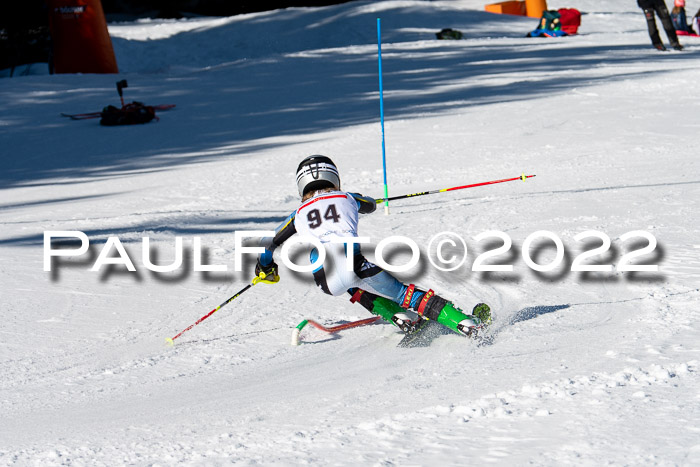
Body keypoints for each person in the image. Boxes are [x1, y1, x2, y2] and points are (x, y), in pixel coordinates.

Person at [254, 155, 491, 337]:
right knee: (401, 293)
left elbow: (268, 244)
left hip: (326, 281)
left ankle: (399, 316)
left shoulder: (297, 215)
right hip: (355, 264)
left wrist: (266, 268)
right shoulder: (347, 197)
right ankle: (465, 323)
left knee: (351, 282)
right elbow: (369, 205)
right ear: (334, 178)